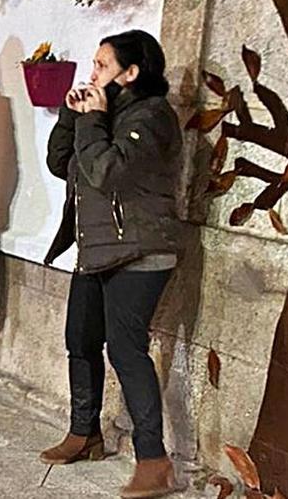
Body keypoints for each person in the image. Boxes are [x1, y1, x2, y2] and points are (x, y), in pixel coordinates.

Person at [40, 30, 181, 499]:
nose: (92, 72)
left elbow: (105, 170)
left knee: (125, 349)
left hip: (140, 252)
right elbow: (63, 162)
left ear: (131, 72)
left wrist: (94, 118)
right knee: (79, 338)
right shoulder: (106, 114)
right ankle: (85, 434)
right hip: (97, 249)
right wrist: (71, 113)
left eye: (102, 65)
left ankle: (154, 461)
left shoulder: (153, 116)